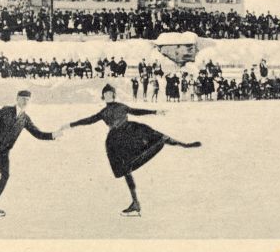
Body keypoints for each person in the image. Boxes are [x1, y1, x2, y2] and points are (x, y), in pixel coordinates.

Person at [55, 84, 201, 216]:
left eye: (110, 93)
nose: (107, 96)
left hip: (130, 131)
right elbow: (87, 120)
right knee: (126, 170)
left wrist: (155, 112)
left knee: (156, 135)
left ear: (113, 95)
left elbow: (136, 111)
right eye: (105, 94)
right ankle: (135, 202)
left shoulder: (121, 106)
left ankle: (184, 144)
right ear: (103, 96)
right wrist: (69, 125)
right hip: (116, 141)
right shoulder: (103, 112)